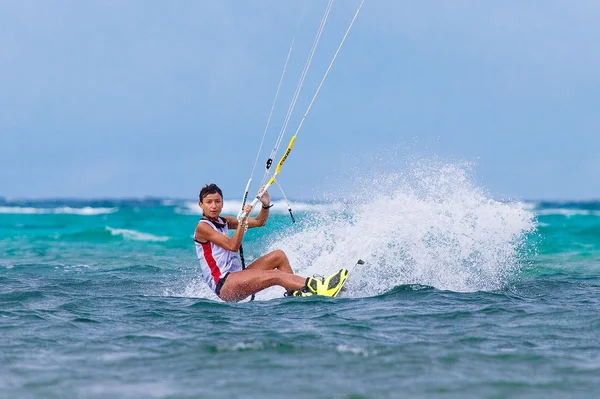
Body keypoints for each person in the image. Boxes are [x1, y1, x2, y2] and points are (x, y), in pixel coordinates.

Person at [193, 183, 348, 302]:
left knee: (278, 256)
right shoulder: (203, 227)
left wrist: (265, 204)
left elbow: (260, 222)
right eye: (209, 202)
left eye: (217, 201)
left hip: (237, 276)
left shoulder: (224, 221)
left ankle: (296, 296)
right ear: (201, 205)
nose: (214, 206)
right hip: (225, 285)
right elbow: (232, 246)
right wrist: (243, 221)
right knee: (275, 276)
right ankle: (318, 287)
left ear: (222, 203)